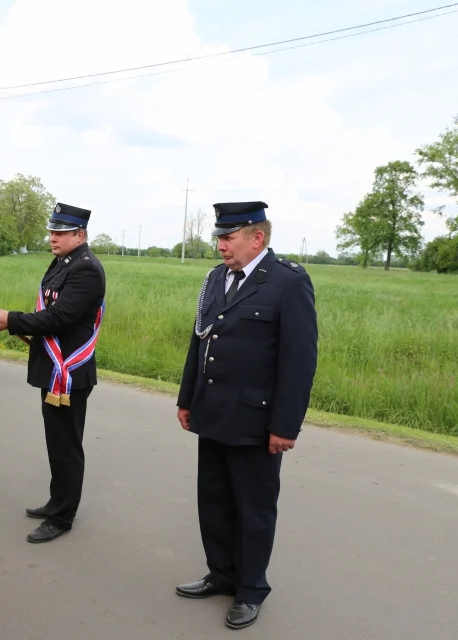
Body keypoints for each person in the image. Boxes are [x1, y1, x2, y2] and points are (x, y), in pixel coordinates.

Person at [173, 202, 318, 631]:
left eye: (227, 237)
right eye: (219, 237)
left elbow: (299, 361)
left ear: (257, 238)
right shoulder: (217, 278)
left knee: (253, 509)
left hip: (256, 422)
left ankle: (251, 589)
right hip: (213, 412)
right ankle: (221, 574)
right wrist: (187, 398)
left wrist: (285, 426)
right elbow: (199, 342)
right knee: (213, 500)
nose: (220, 246)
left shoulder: (288, 283)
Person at [0, 203, 106, 543]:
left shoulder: (86, 269)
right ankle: (57, 501)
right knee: (56, 442)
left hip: (68, 373)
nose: (52, 237)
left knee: (66, 446)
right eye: (52, 231)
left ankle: (62, 518)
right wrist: (16, 322)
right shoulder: (64, 262)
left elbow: (60, 318)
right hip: (53, 368)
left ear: (79, 235)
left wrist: (13, 320)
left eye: (60, 232)